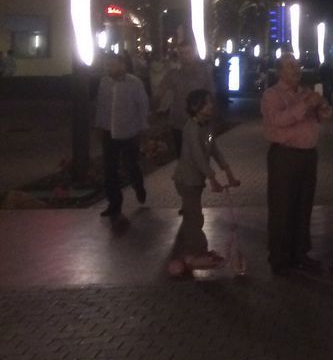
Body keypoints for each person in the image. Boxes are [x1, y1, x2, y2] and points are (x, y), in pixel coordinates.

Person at [262, 54, 333, 274]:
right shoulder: (271, 95)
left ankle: (300, 252)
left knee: (304, 206)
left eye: (297, 66)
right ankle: (279, 256)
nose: (297, 70)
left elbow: (325, 116)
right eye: (291, 66)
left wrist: (322, 106)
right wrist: (304, 105)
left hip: (308, 155)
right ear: (280, 71)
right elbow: (278, 120)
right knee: (282, 206)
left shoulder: (305, 92)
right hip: (285, 155)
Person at [169, 88, 241, 275]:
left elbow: (212, 147)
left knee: (193, 216)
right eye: (207, 102)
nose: (211, 105)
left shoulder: (206, 127)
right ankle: (194, 253)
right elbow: (198, 156)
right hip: (187, 180)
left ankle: (195, 251)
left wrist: (228, 171)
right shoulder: (191, 128)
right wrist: (212, 178)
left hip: (196, 180)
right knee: (194, 217)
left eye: (211, 102)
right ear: (195, 106)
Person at [94, 53, 152, 218]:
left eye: (113, 65)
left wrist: (143, 128)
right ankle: (114, 204)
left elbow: (143, 106)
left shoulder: (134, 83)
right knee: (110, 169)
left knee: (131, 165)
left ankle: (138, 186)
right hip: (108, 131)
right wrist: (98, 125)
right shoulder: (104, 82)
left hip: (129, 131)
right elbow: (101, 105)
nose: (109, 68)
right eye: (107, 65)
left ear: (122, 65)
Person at [156, 40, 216, 156]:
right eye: (180, 53)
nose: (184, 56)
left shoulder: (204, 73)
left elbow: (211, 96)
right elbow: (160, 92)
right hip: (178, 123)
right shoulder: (174, 74)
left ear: (193, 53)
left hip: (199, 123)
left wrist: (211, 120)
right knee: (182, 159)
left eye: (187, 52)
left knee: (199, 158)